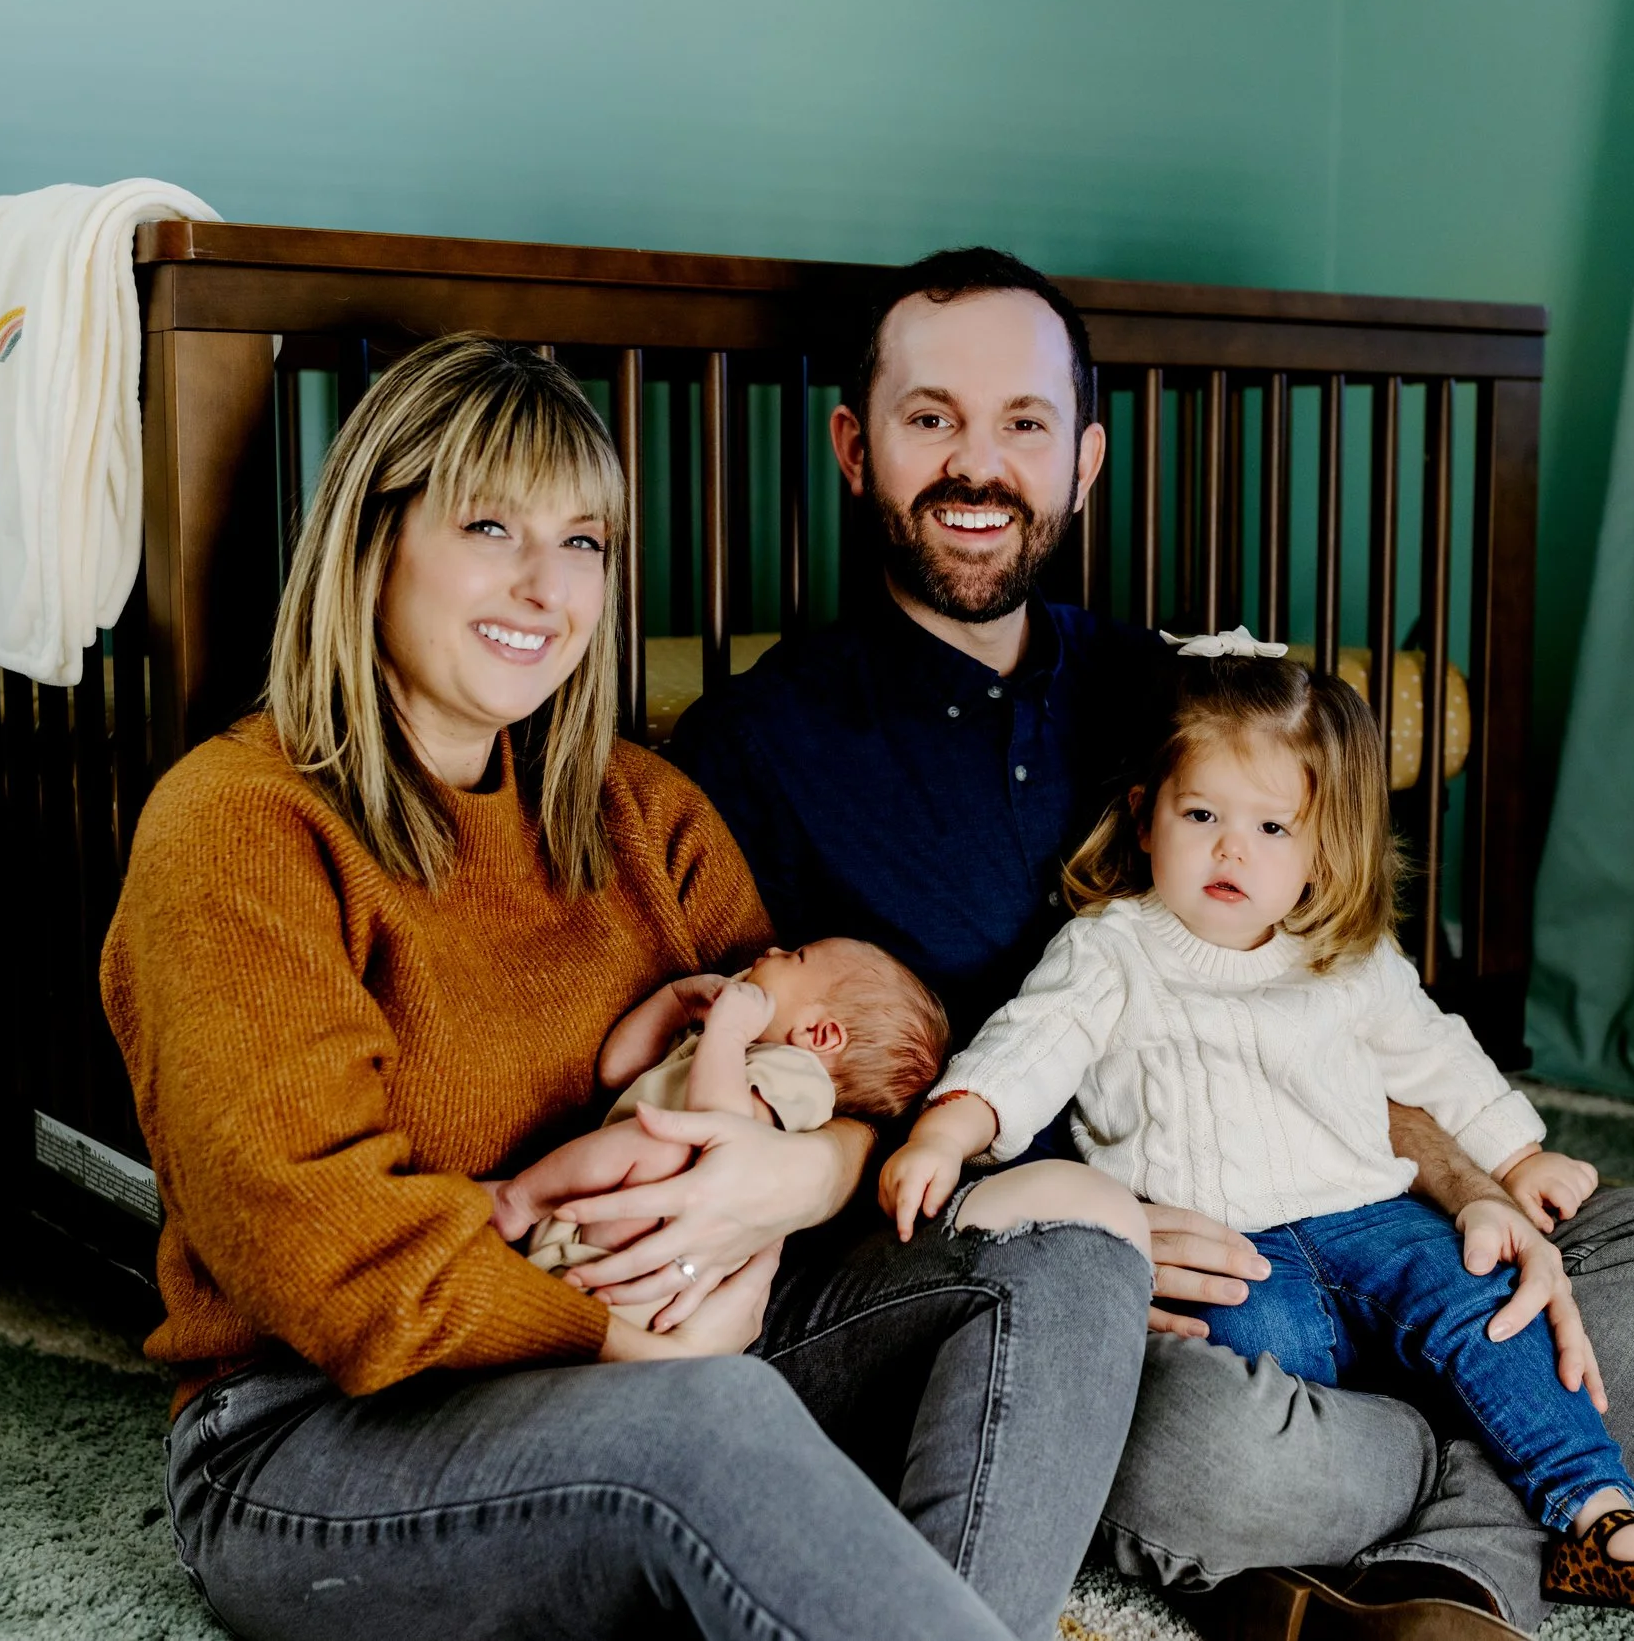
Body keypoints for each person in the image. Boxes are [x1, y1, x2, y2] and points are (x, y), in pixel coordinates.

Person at [669, 247, 1634, 1639]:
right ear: (856, 445)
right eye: (931, 419)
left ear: (1085, 458)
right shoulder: (758, 746)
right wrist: (1083, 1223)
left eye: (1025, 424)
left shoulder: (1175, 694)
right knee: (1205, 1455)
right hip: (1112, 1300)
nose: (977, 467)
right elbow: (756, 1076)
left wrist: (1473, 1182)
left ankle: (1465, 1532)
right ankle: (1565, 1446)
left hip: (1343, 1209)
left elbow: (1328, 1005)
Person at [101, 333, 1150, 1641]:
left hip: (698, 1331)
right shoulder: (237, 828)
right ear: (373, 542)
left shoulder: (642, 809)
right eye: (490, 525)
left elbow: (814, 1063)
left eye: (583, 541)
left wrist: (808, 1173)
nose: (544, 585)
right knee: (711, 1422)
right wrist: (621, 1344)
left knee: (1076, 1239)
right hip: (323, 1432)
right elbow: (316, 1243)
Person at [882, 641, 1634, 1615]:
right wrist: (948, 1131)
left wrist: (1513, 1156)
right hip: (1228, 1250)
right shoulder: (1108, 951)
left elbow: (1434, 1054)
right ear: (1143, 818)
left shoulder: (1342, 956)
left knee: (1493, 1304)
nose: (1230, 849)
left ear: (1319, 848)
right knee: (1234, 1368)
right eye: (1200, 814)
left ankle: (1597, 1510)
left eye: (1271, 825)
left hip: (1373, 1213)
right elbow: (1026, 1048)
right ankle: (1533, 1438)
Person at [489, 939, 951, 1330]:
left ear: (820, 1035)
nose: (772, 949)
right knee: (652, 1137)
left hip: (641, 1250)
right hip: (596, 1222)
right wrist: (674, 1003)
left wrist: (727, 1032)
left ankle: (517, 1201)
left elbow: (720, 1127)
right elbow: (616, 1072)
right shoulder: (725, 1047)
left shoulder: (799, 1078)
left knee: (661, 1141)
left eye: (796, 957)